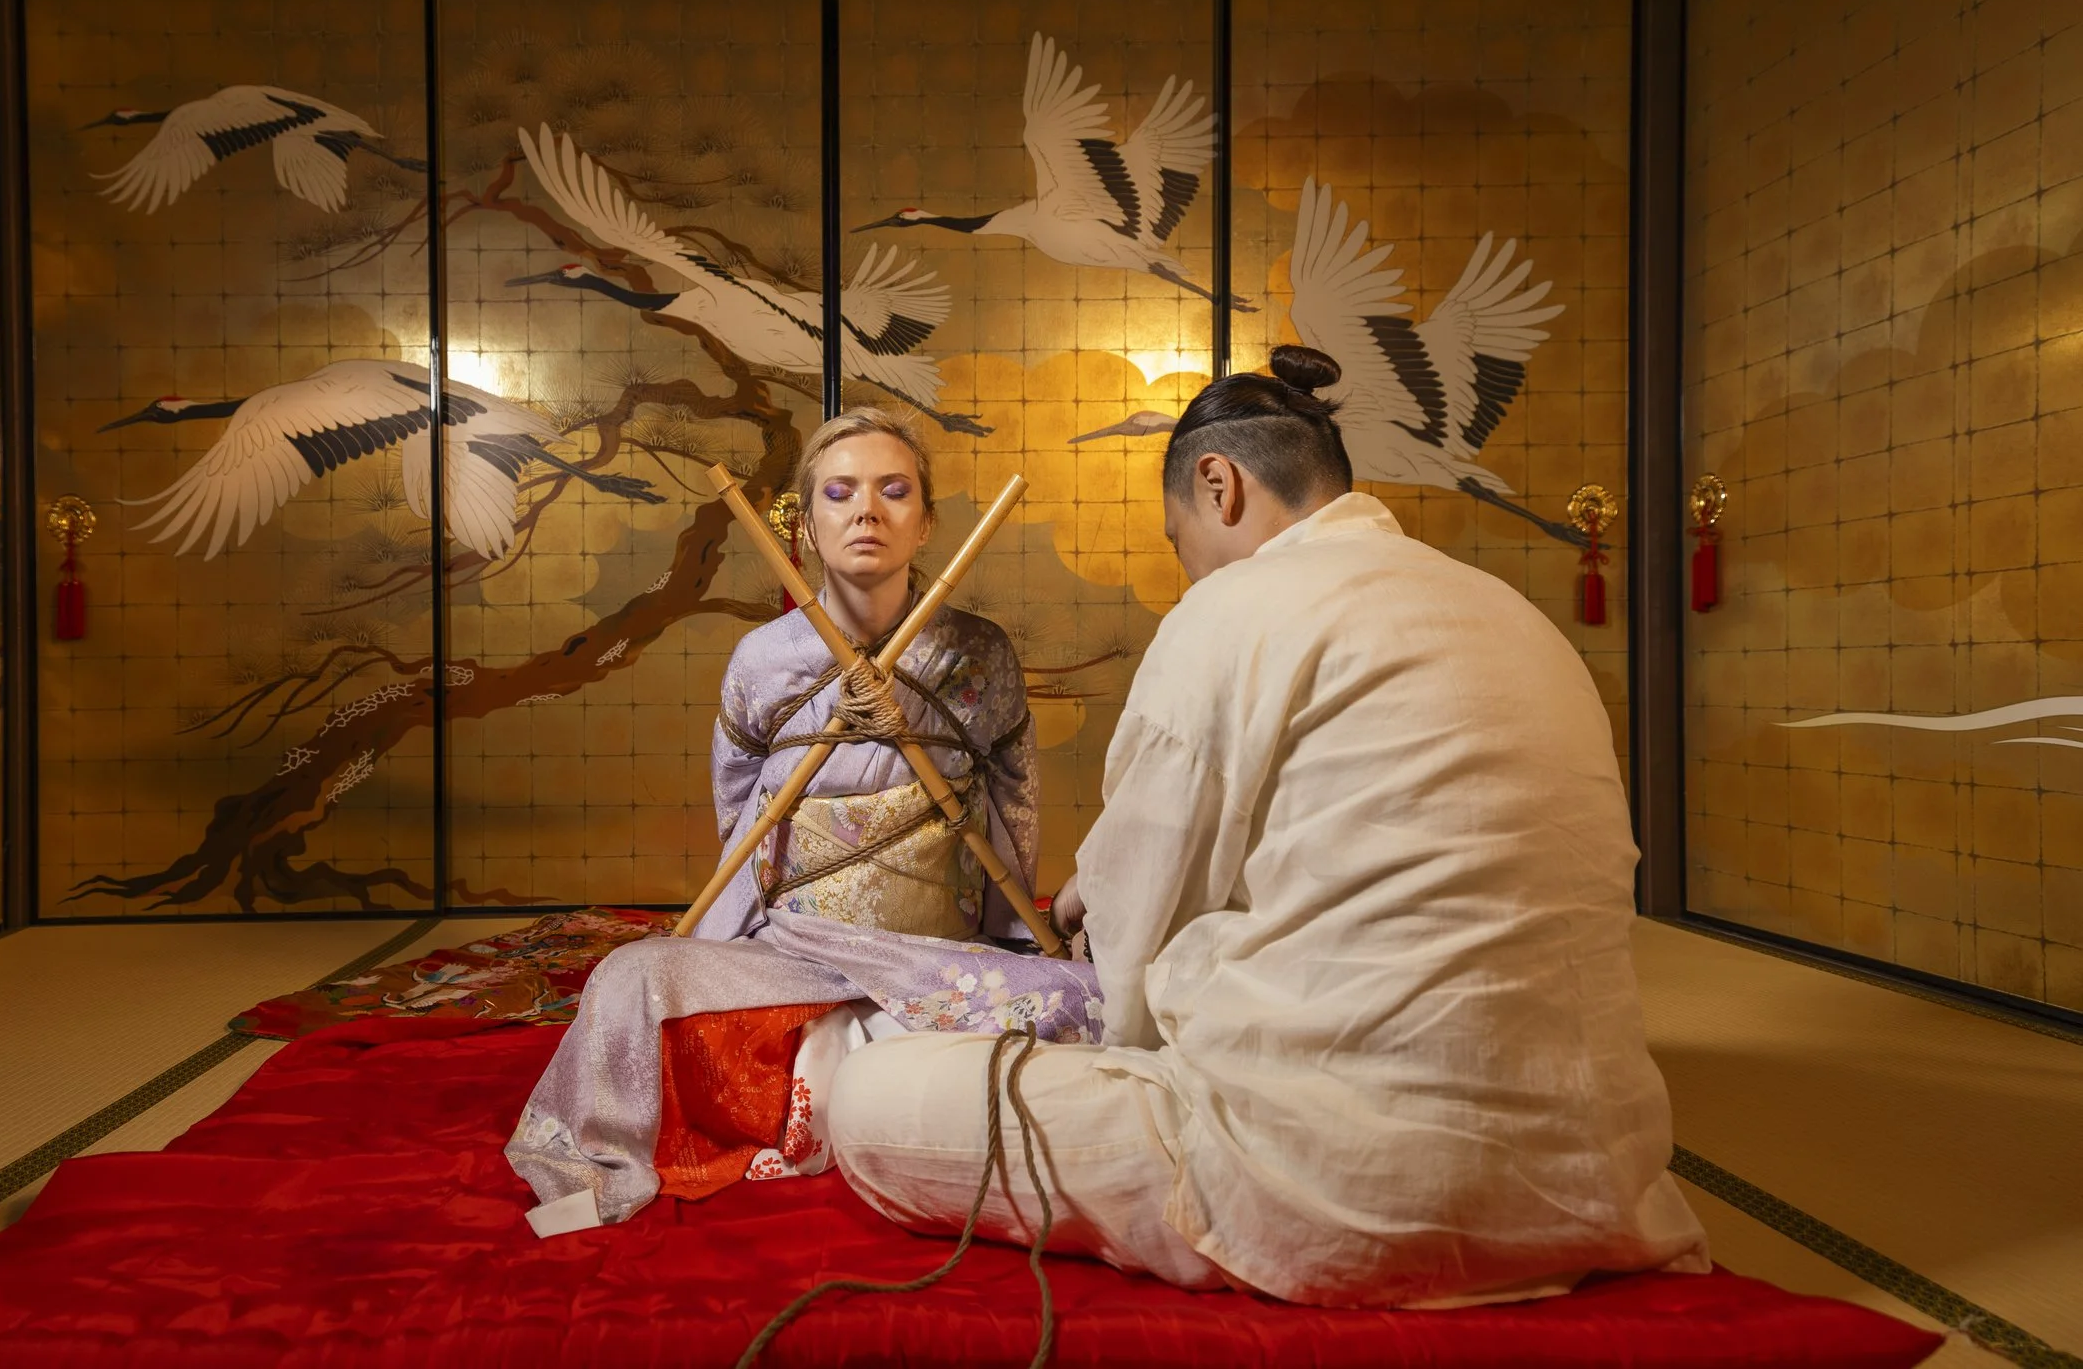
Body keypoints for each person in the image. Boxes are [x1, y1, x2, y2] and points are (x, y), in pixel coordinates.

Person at [828, 350, 1710, 1308]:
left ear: (1220, 484)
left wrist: (1096, 905)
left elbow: (1133, 951)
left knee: (869, 1100)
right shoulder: (1508, 608)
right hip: (1591, 1176)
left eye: (1178, 540)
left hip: (1333, 1179)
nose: (1187, 567)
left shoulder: (1229, 611)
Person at [507, 408, 1101, 1235]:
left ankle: (850, 1067)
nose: (868, 511)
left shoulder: (979, 653)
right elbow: (739, 800)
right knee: (630, 979)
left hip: (934, 947)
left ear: (926, 520)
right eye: (841, 492)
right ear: (808, 523)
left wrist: (1008, 927)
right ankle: (850, 1076)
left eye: (895, 491)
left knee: (1093, 1005)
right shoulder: (763, 659)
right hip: (797, 946)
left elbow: (1013, 794)